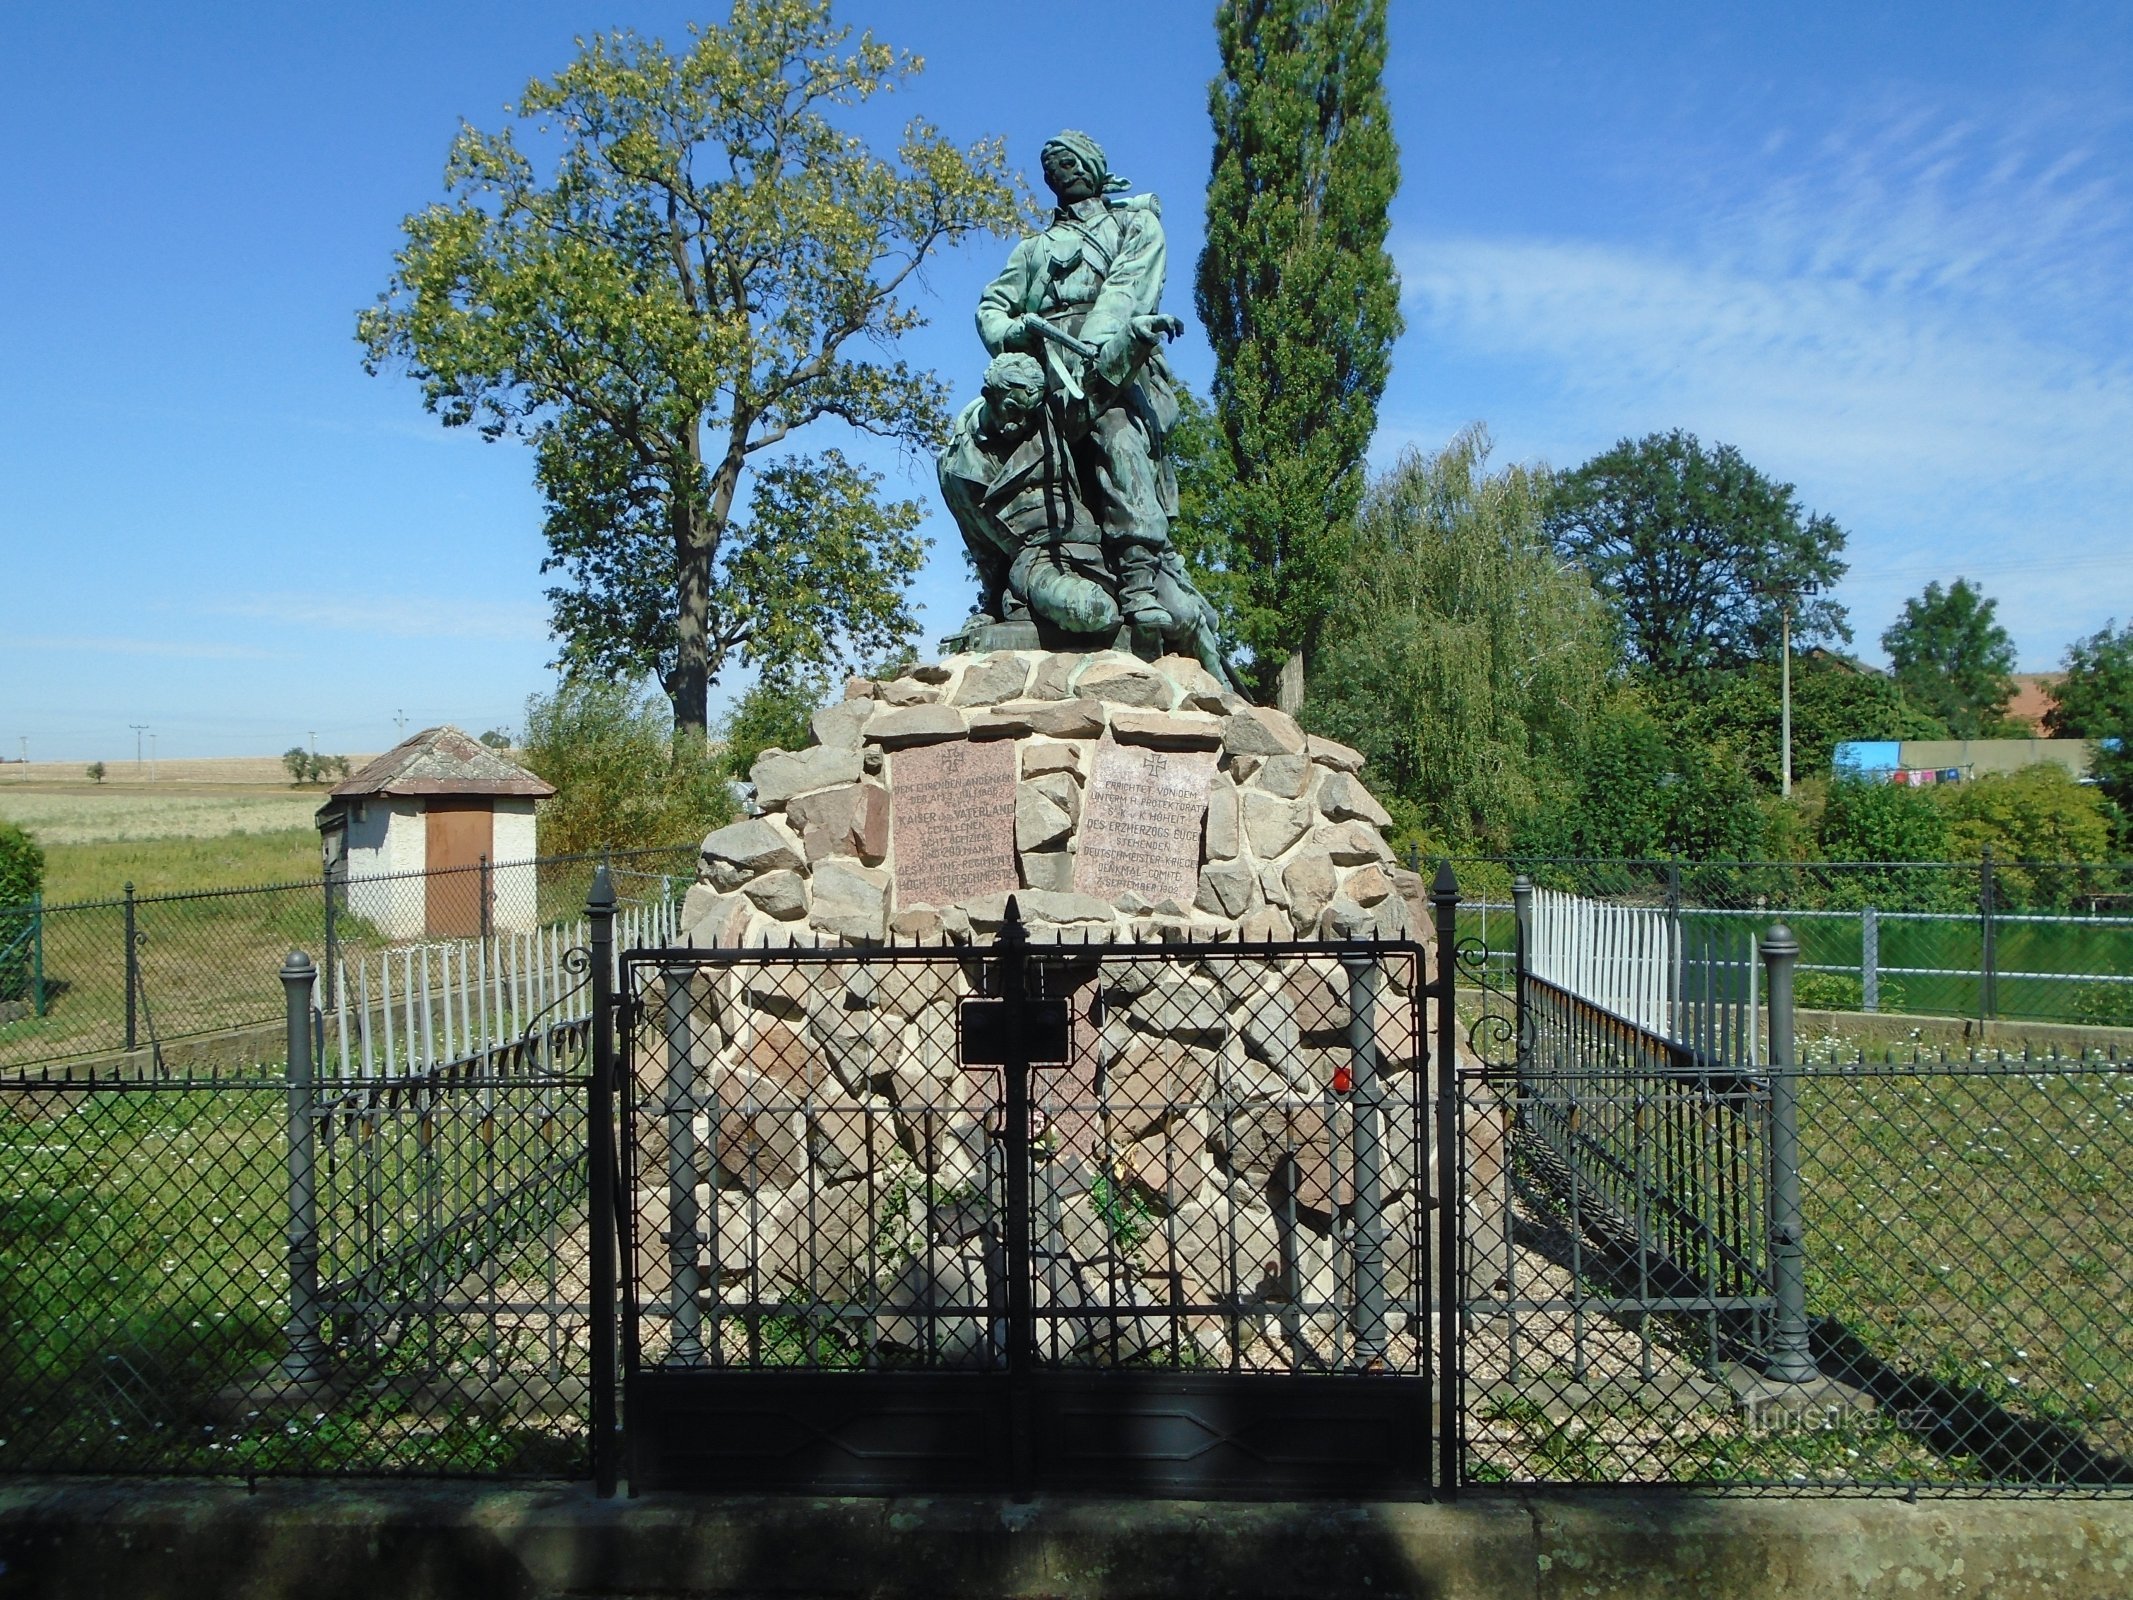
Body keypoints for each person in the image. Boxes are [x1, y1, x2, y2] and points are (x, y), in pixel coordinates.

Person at [976, 131, 1180, 631]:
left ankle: (1137, 582)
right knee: (978, 448)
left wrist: (1098, 356)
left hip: (1115, 362)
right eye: (1050, 169)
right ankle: (1003, 579)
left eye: (1067, 163)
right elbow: (991, 311)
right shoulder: (1033, 249)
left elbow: (1128, 290)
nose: (1059, 174)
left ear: (1092, 165)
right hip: (1044, 372)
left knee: (1119, 437)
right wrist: (1016, 331)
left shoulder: (1134, 223)